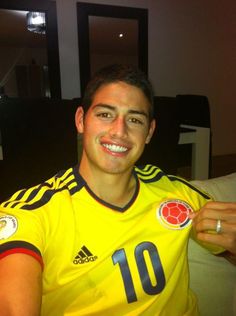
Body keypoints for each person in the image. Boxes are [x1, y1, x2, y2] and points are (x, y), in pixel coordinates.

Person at [0, 64, 235, 316]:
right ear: (81, 120)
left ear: (149, 132)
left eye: (134, 119)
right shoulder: (34, 212)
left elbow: (228, 245)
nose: (119, 131)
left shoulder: (176, 192)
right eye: (105, 114)